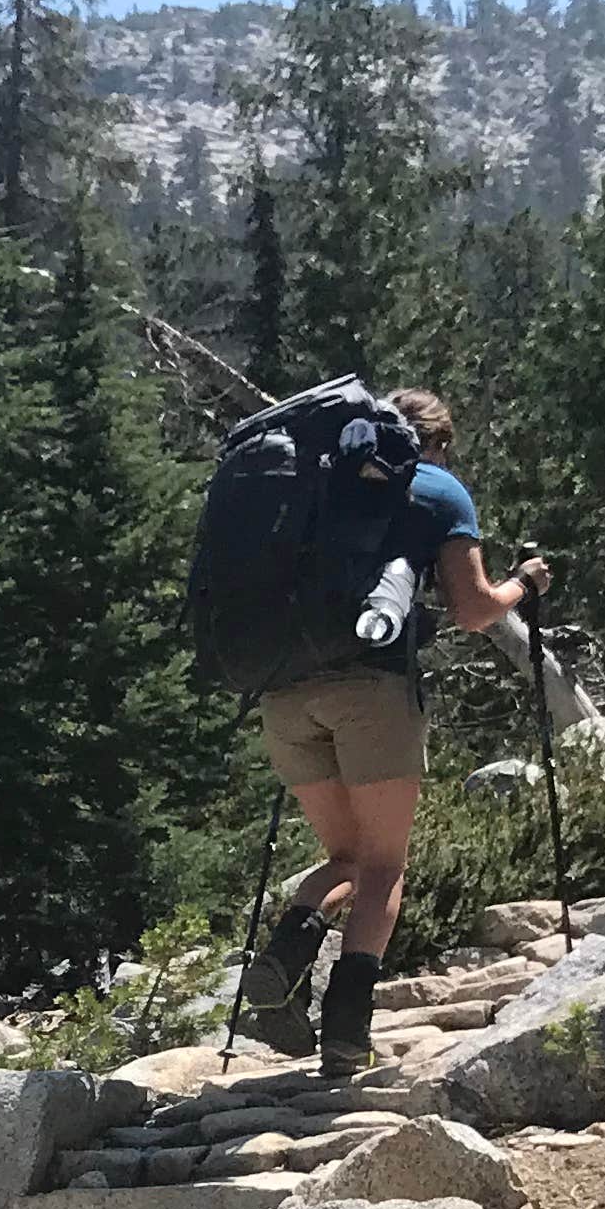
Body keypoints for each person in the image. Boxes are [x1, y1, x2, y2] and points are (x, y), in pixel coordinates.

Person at [247, 386, 550, 1080]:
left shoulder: (313, 478)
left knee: (345, 856)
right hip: (371, 691)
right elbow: (473, 610)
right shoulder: (437, 488)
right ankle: (347, 1034)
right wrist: (522, 587)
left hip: (284, 694)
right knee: (383, 864)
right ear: (436, 442)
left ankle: (285, 954)